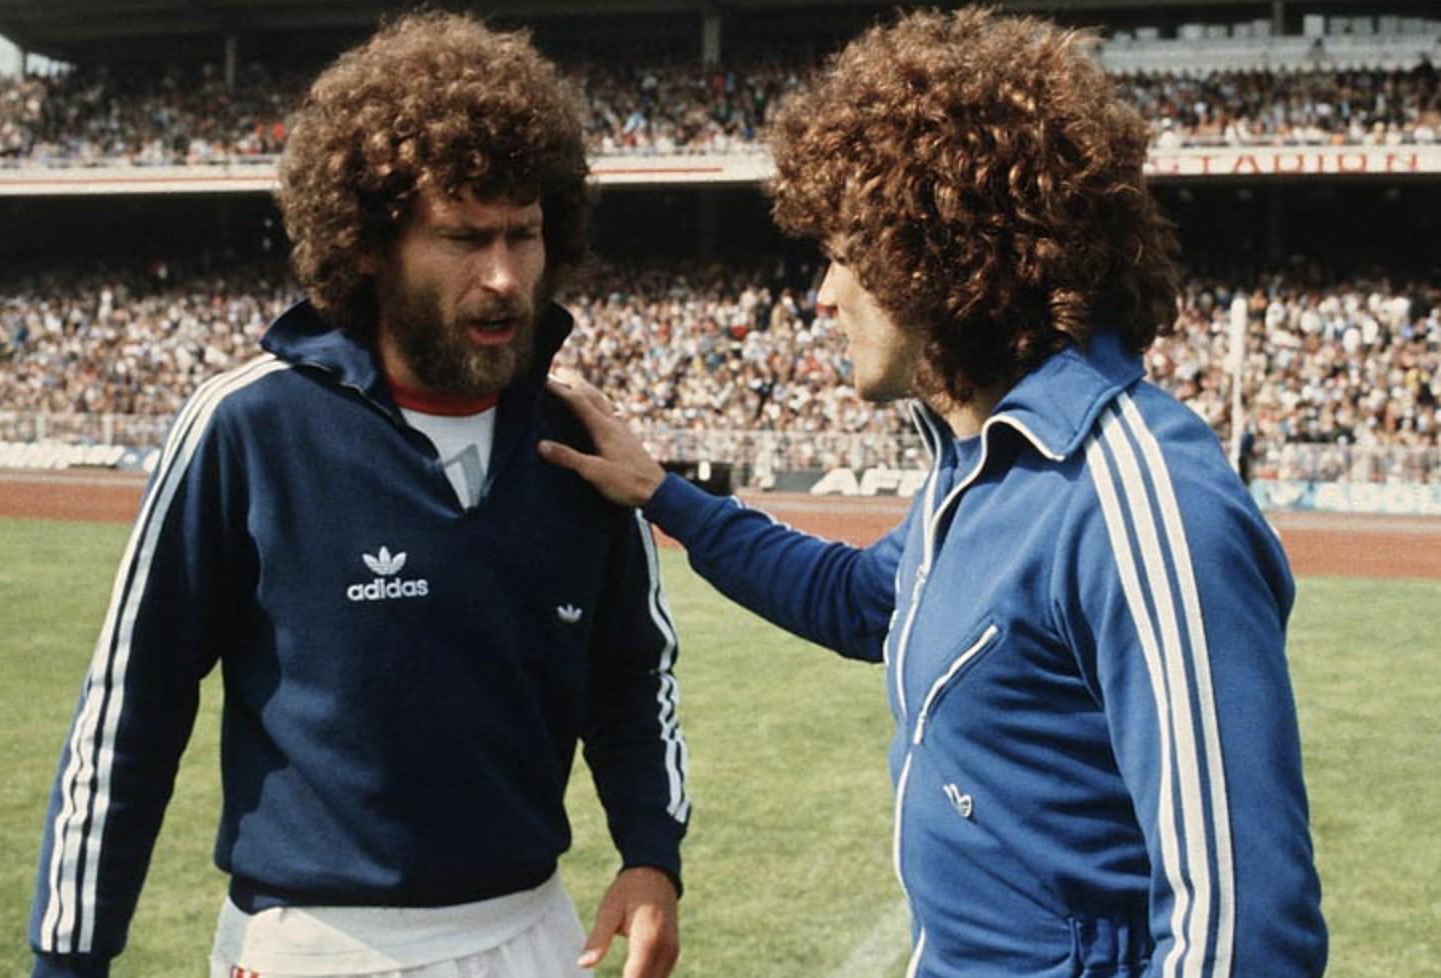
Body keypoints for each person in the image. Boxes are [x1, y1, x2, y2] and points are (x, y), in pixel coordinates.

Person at [541, 8, 1326, 977]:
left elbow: (1240, 930)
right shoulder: (987, 466)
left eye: (844, 253)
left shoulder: (1133, 494)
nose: (823, 295)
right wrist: (665, 494)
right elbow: (860, 600)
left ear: (942, 246)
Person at [28, 14, 687, 978]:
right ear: (370, 243)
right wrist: (68, 961)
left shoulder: (581, 441)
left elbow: (631, 673)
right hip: (310, 947)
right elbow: (132, 707)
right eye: (463, 238)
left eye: (525, 234)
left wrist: (651, 852)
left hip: (535, 938)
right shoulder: (249, 425)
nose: (505, 277)